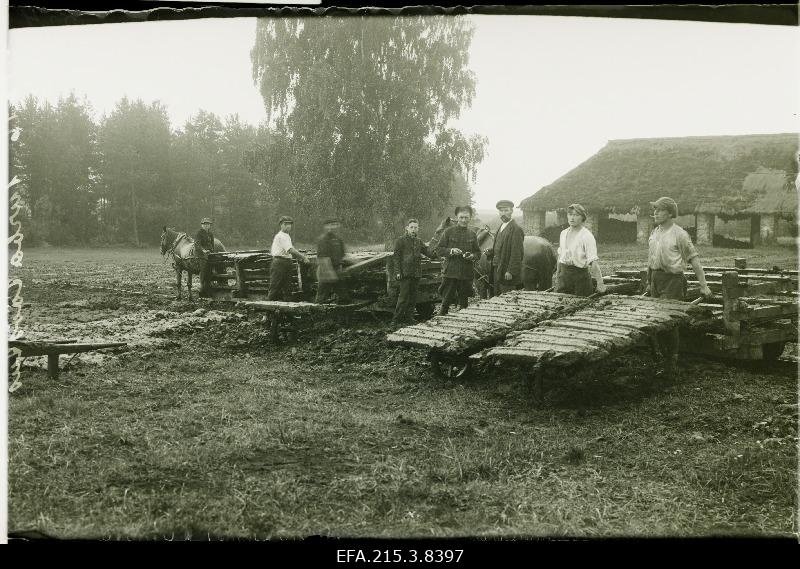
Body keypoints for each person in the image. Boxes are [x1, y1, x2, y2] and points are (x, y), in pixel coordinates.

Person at [647, 196, 712, 381]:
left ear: (669, 213)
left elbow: (694, 260)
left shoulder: (680, 234)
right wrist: (648, 280)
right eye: (654, 209)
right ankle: (660, 360)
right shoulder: (655, 232)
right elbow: (650, 258)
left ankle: (671, 364)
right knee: (655, 321)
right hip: (655, 279)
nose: (655, 213)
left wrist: (704, 286)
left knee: (669, 322)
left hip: (673, 280)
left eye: (659, 210)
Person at [436, 206, 482, 315]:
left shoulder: (472, 234)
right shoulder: (448, 232)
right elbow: (439, 250)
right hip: (450, 273)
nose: (463, 220)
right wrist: (451, 251)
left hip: (466, 274)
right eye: (461, 217)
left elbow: (478, 253)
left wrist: (471, 256)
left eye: (466, 217)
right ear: (457, 217)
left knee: (464, 306)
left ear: (470, 218)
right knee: (445, 304)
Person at [554, 204, 606, 297]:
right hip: (564, 277)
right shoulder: (563, 233)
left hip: (580, 279)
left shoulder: (586, 236)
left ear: (582, 217)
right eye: (570, 214)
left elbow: (593, 262)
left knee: (579, 307)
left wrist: (600, 283)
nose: (572, 218)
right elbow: (560, 256)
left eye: (576, 215)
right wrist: (558, 275)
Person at [392, 218, 433, 324]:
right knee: (403, 298)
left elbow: (429, 253)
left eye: (415, 227)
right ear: (407, 228)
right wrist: (397, 272)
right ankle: (396, 320)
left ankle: (409, 318)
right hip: (405, 274)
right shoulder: (400, 241)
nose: (414, 230)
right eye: (411, 227)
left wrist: (440, 253)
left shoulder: (419, 241)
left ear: (418, 229)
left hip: (416, 274)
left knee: (413, 298)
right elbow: (396, 258)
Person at [484, 199, 525, 296]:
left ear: (511, 211)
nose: (503, 213)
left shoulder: (516, 229)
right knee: (496, 294)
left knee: (507, 297)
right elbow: (500, 246)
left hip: (507, 272)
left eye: (506, 210)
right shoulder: (501, 226)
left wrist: (511, 271)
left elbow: (517, 253)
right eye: (501, 211)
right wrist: (491, 251)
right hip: (497, 269)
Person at [267, 216, 309, 301]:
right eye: (285, 224)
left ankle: (287, 307)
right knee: (275, 285)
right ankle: (269, 306)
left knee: (288, 286)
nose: (288, 226)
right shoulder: (281, 236)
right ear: (281, 225)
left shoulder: (287, 236)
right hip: (279, 262)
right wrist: (303, 257)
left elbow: (289, 250)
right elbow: (290, 250)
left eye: (289, 224)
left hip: (287, 262)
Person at [315, 218, 352, 304]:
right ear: (325, 227)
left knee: (344, 296)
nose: (333, 227)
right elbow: (322, 257)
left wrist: (355, 261)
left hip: (337, 270)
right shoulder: (323, 240)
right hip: (325, 270)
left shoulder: (338, 240)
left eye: (335, 224)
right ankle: (315, 314)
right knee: (321, 297)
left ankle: (342, 313)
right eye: (330, 225)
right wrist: (330, 273)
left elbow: (342, 254)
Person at [195, 217, 215, 297]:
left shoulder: (210, 234)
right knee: (204, 270)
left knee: (210, 272)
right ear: (202, 225)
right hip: (201, 254)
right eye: (205, 224)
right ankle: (202, 290)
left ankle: (209, 289)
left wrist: (212, 251)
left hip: (210, 254)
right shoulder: (199, 233)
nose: (207, 226)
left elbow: (212, 244)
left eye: (208, 224)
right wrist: (203, 251)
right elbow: (197, 244)